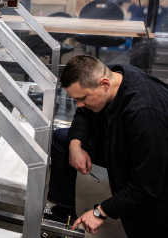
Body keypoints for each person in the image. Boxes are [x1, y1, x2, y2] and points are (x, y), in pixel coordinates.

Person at [44, 55, 168, 237]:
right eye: (76, 99)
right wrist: (75, 145)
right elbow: (82, 113)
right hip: (123, 142)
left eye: (83, 98)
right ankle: (64, 213)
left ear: (104, 84)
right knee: (62, 139)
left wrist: (99, 212)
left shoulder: (143, 114)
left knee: (144, 218)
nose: (79, 105)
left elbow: (146, 186)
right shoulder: (112, 75)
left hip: (157, 165)